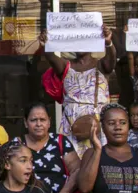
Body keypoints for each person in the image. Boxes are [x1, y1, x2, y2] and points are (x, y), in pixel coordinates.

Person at [32, 25, 116, 158]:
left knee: (98, 163)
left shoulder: (101, 65)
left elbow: (111, 61)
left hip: (97, 123)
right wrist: (45, 44)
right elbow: (51, 57)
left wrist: (108, 43)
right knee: (72, 165)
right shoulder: (66, 66)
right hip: (71, 125)